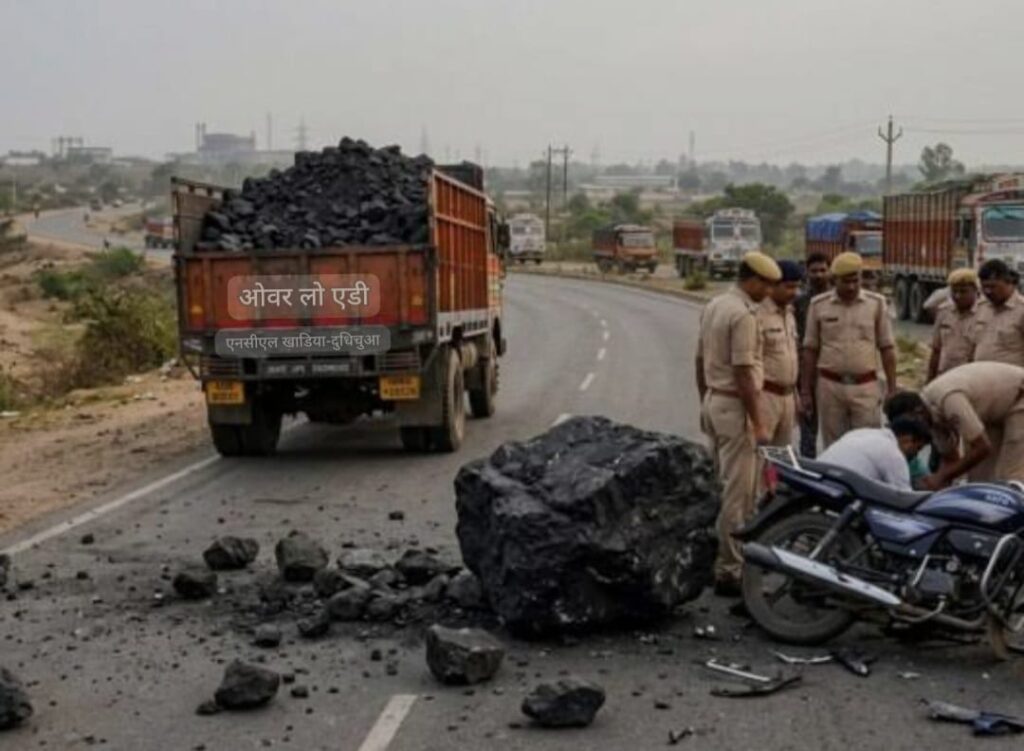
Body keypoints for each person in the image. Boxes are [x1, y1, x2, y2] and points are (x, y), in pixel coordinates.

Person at [696, 250, 781, 596]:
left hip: (715, 400)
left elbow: (699, 359)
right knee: (738, 494)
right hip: (736, 406)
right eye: (767, 285)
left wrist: (705, 399)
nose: (769, 292)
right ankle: (731, 569)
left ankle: (718, 559)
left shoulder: (715, 305)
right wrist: (759, 424)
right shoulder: (744, 315)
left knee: (720, 484)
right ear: (753, 281)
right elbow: (745, 373)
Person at [800, 251, 898, 449]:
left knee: (868, 446)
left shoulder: (876, 304)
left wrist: (892, 388)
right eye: (846, 282)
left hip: (866, 386)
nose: (852, 286)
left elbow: (887, 348)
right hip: (830, 386)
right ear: (834, 280)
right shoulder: (818, 305)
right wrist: (806, 392)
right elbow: (809, 350)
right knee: (834, 447)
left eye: (856, 280)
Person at [917, 361, 1024, 487]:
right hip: (998, 408)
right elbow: (951, 459)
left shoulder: (948, 398)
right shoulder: (928, 414)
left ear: (917, 413)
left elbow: (982, 447)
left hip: (1019, 396)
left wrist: (941, 477)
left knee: (1010, 478)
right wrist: (939, 484)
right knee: (980, 479)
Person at [816, 417, 932, 491]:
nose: (916, 456)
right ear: (907, 440)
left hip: (819, 477)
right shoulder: (893, 453)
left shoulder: (862, 432)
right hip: (837, 490)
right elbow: (904, 497)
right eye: (917, 449)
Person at [757, 259, 802, 446]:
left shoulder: (789, 315)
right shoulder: (757, 315)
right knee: (761, 456)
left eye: (797, 287)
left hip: (788, 397)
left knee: (781, 458)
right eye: (789, 287)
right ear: (773, 286)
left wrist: (796, 396)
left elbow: (791, 358)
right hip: (765, 396)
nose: (794, 293)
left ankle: (775, 477)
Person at [793, 252, 830, 457]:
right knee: (808, 430)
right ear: (807, 273)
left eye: (823, 270)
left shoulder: (836, 301)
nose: (818, 275)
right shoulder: (799, 303)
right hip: (806, 373)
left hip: (831, 373)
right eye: (814, 271)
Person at [927, 269, 979, 382]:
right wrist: (930, 380)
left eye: (964, 291)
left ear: (975, 290)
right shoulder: (944, 312)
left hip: (971, 378)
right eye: (954, 291)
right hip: (945, 375)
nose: (958, 296)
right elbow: (936, 350)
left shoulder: (984, 314)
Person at [973, 259, 1024, 367]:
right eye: (984, 287)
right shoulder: (981, 308)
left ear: (1008, 282)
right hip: (980, 377)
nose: (988, 291)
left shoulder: (1021, 310)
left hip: (1012, 381)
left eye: (992, 286)